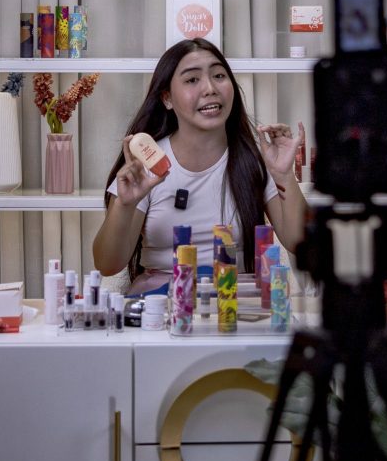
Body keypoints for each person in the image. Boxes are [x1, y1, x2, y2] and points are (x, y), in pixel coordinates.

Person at [93, 38, 307, 294]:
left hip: (235, 302)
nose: (210, 88)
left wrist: (284, 175)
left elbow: (300, 242)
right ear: (167, 98)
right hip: (163, 302)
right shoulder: (148, 161)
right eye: (192, 79)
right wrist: (124, 206)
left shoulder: (255, 159)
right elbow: (107, 264)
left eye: (219, 76)